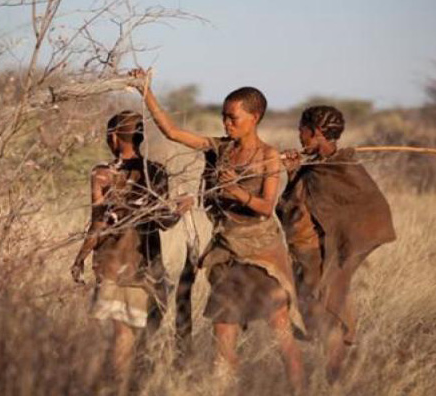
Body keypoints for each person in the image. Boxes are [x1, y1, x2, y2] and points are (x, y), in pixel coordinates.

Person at [128, 68, 306, 392]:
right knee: (223, 329)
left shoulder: (268, 156)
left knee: (281, 333)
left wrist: (236, 192)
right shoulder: (219, 148)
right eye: (224, 117)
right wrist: (146, 92)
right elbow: (172, 132)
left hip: (262, 253)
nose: (226, 124)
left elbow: (266, 207)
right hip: (227, 253)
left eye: (233, 118)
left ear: (255, 117)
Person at [71, 110, 191, 395]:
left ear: (113, 137)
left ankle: (118, 388)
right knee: (135, 336)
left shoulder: (102, 173)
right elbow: (164, 222)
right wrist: (180, 209)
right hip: (145, 266)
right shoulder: (156, 171)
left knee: (120, 336)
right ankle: (131, 386)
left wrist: (80, 257)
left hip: (111, 264)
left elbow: (98, 223)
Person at [278, 105, 395, 382]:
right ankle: (333, 378)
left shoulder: (343, 166)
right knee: (316, 316)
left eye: (302, 131)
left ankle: (336, 379)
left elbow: (373, 209)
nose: (299, 136)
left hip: (333, 255)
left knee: (332, 312)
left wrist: (346, 246)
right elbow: (289, 209)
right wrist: (293, 173)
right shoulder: (311, 168)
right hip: (307, 255)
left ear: (317, 132)